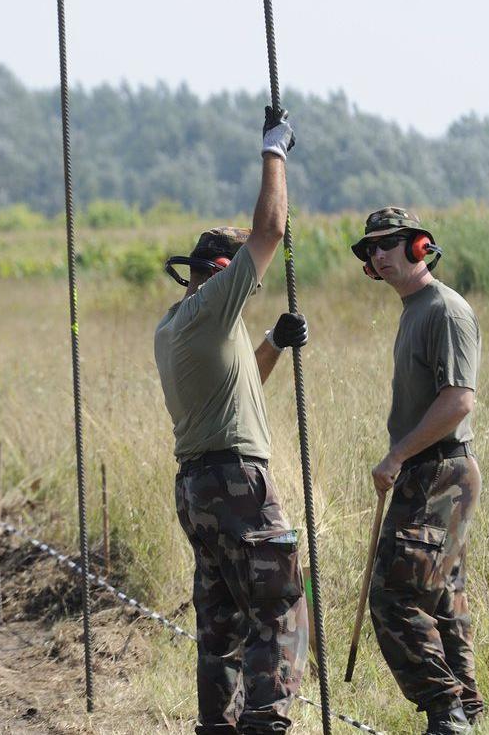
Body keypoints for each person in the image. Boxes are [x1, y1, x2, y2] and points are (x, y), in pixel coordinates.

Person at [155, 108, 310, 735]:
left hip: (200, 487)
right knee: (277, 611)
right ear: (221, 275)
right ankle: (266, 724)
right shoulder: (214, 307)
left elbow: (234, 396)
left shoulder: (180, 324)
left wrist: (271, 341)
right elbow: (271, 229)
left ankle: (218, 727)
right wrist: (274, 150)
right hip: (237, 486)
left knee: (220, 623)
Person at [351, 207, 483, 735]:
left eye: (388, 244)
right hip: (427, 474)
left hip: (438, 473)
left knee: (393, 595)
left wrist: (398, 454)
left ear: (418, 246)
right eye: (369, 249)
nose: (377, 255)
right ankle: (465, 715)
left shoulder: (444, 311)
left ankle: (445, 710)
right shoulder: (414, 309)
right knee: (441, 597)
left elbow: (458, 402)